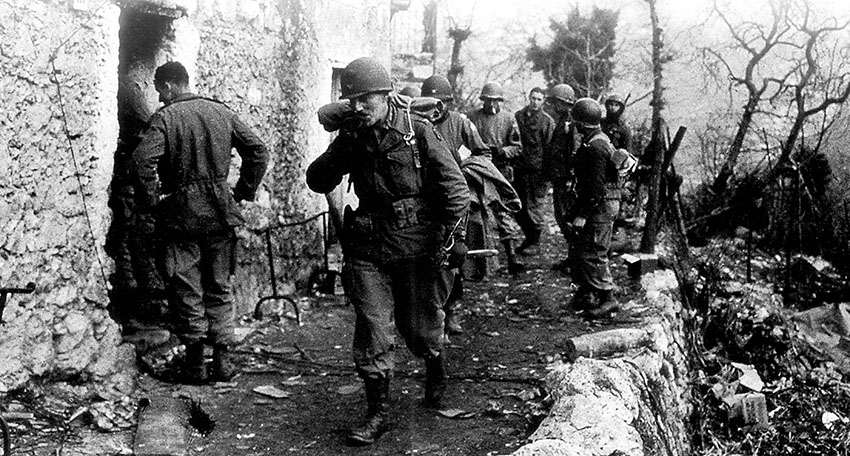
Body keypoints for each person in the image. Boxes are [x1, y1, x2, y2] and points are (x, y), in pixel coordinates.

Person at [306, 58, 469, 446]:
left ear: (386, 95)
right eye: (353, 101)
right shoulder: (353, 135)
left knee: (420, 328)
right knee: (374, 327)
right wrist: (338, 149)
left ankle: (434, 363)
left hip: (416, 247)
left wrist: (454, 240)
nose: (359, 107)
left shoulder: (419, 132)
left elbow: (456, 192)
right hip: (369, 248)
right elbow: (317, 179)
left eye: (367, 100)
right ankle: (378, 411)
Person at [131, 61, 269, 384]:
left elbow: (140, 163)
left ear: (168, 86)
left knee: (186, 287)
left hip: (181, 217)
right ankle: (222, 364)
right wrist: (242, 191)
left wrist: (154, 202)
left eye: (159, 90)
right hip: (220, 214)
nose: (159, 97)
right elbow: (258, 151)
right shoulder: (221, 112)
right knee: (219, 285)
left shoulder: (165, 118)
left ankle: (196, 365)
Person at [420, 74, 491, 336]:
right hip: (426, 199)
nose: (436, 107)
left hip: (456, 199)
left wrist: (463, 169)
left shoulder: (461, 123)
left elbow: (483, 153)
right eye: (431, 102)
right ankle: (430, 313)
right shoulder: (415, 124)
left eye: (442, 102)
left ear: (449, 103)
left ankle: (452, 311)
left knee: (455, 257)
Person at [569, 98, 621, 318]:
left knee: (595, 252)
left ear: (582, 123)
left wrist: (582, 215)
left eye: (576, 121)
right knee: (586, 249)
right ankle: (589, 292)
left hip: (600, 205)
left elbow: (595, 189)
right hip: (602, 203)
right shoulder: (598, 139)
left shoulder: (595, 146)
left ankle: (608, 298)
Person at [467, 81, 525, 275]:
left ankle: (512, 257)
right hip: (478, 172)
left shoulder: (509, 119)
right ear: (483, 100)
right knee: (478, 215)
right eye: (488, 101)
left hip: (500, 171)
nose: (492, 105)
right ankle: (482, 264)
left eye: (496, 101)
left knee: (504, 213)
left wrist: (502, 151)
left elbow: (517, 146)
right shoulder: (472, 118)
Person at [542, 83, 578, 272]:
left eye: (557, 102)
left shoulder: (571, 123)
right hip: (559, 178)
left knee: (567, 218)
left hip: (566, 180)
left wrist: (570, 177)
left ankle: (576, 261)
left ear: (565, 103)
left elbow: (574, 151)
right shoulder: (562, 120)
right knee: (562, 217)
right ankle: (572, 257)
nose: (554, 106)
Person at [513, 87, 554, 255]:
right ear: (528, 98)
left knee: (534, 206)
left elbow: (550, 148)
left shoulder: (547, 121)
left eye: (539, 99)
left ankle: (535, 242)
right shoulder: (518, 116)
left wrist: (548, 172)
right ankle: (528, 239)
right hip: (520, 168)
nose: (535, 102)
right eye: (533, 98)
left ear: (543, 101)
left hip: (538, 171)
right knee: (518, 206)